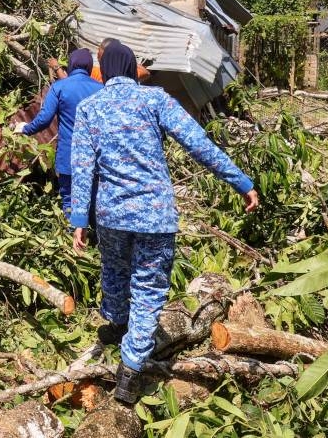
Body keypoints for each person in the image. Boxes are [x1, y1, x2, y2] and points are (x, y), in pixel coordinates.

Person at [69, 41, 259, 405]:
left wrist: (79, 217)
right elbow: (198, 144)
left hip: (111, 215)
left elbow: (82, 167)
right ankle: (131, 366)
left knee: (114, 270)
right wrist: (241, 182)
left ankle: (119, 326)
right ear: (130, 68)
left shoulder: (90, 108)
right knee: (148, 287)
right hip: (154, 215)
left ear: (105, 70)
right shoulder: (154, 100)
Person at [18, 48, 103, 225]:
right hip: (95, 156)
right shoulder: (101, 89)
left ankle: (75, 239)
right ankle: (95, 239)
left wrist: (25, 128)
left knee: (69, 198)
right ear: (89, 66)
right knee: (94, 199)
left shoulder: (59, 87)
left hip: (69, 155)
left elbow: (44, 119)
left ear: (71, 65)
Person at [47, 38, 150, 83]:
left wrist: (57, 67)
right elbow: (145, 73)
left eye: (100, 54)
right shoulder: (127, 70)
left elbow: (70, 85)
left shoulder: (95, 71)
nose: (97, 56)